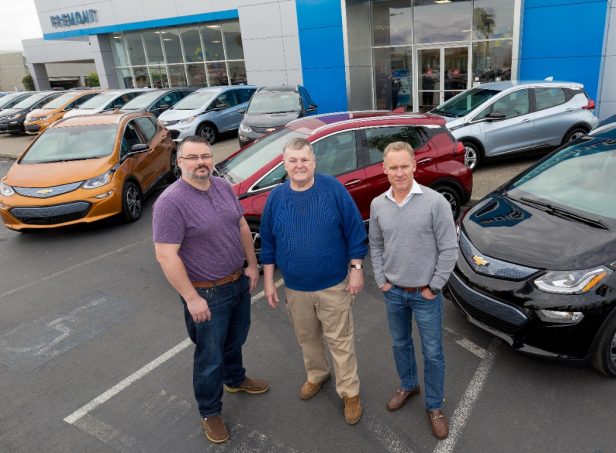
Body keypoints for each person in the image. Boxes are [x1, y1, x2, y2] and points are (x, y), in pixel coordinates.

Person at [153, 136, 268, 444]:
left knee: (236, 338)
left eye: (206, 155)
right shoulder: (170, 202)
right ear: (179, 162)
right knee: (209, 357)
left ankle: (235, 379)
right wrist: (191, 298)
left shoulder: (222, 186)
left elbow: (241, 225)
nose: (201, 162)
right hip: (206, 294)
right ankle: (210, 411)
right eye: (192, 157)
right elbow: (166, 254)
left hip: (237, 283)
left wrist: (251, 264)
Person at [259, 137, 367, 425]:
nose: (299, 165)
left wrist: (356, 267)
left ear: (314, 162)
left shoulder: (333, 190)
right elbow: (268, 243)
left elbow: (355, 231)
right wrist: (269, 282)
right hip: (295, 288)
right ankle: (317, 375)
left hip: (334, 285)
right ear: (284, 164)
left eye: (304, 159)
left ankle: (349, 392)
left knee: (340, 341)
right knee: (307, 339)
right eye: (293, 160)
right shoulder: (276, 198)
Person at [368, 141, 458, 440]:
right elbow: (377, 245)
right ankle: (408, 385)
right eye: (392, 167)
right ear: (384, 168)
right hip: (394, 292)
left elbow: (449, 249)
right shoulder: (378, 204)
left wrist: (434, 287)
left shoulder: (435, 203)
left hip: (425, 294)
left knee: (433, 353)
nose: (399, 172)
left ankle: (434, 406)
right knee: (400, 344)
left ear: (414, 166)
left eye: (404, 166)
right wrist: (381, 279)